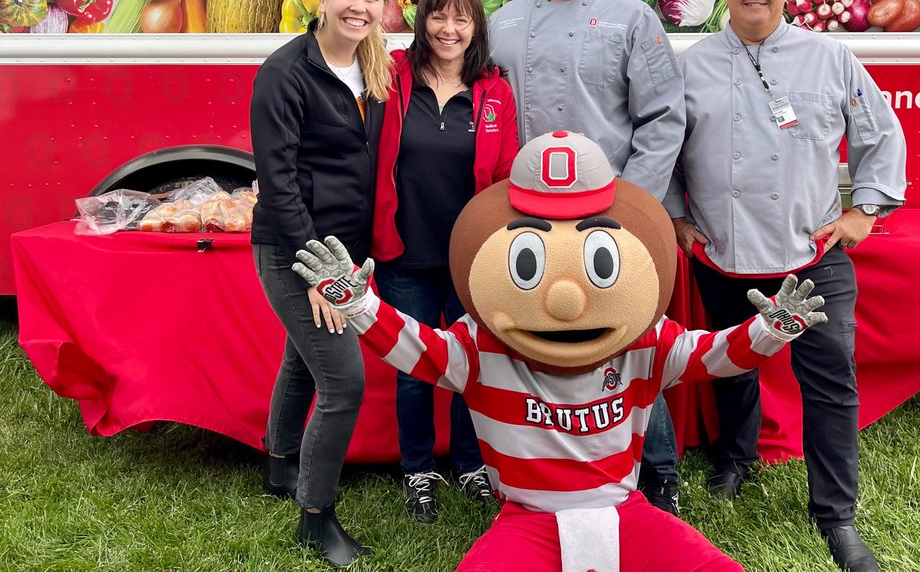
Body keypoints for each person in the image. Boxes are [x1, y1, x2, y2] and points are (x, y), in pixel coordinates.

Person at [292, 130, 831, 572]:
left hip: (628, 512)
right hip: (528, 518)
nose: (567, 300)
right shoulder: (482, 347)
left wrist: (769, 331)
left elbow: (713, 355)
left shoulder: (642, 341)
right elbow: (416, 348)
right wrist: (358, 304)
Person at [663, 0, 907, 572]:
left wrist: (865, 210)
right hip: (723, 251)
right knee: (731, 368)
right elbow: (662, 145)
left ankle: (837, 517)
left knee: (830, 383)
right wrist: (676, 214)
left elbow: (880, 133)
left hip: (811, 252)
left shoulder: (830, 58)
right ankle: (735, 461)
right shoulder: (692, 65)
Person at [488, 0, 687, 515]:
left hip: (609, 216)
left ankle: (657, 472)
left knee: (629, 342)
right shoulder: (505, 21)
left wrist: (631, 206)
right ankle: (543, 468)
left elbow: (663, 119)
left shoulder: (633, 19)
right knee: (543, 341)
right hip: (528, 215)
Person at [249, 0, 393, 568]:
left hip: (347, 251)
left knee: (301, 362)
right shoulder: (285, 73)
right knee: (343, 380)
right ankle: (316, 517)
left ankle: (280, 466)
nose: (359, 8)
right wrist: (316, 270)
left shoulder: (375, 67)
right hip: (294, 250)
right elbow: (277, 183)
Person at [372, 0, 519, 522]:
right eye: (438, 16)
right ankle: (417, 472)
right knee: (414, 369)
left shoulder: (494, 91)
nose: (449, 29)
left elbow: (505, 177)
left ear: (476, 25)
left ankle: (470, 465)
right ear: (421, 20)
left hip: (469, 259)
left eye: (461, 18)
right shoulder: (391, 77)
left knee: (470, 367)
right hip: (403, 253)